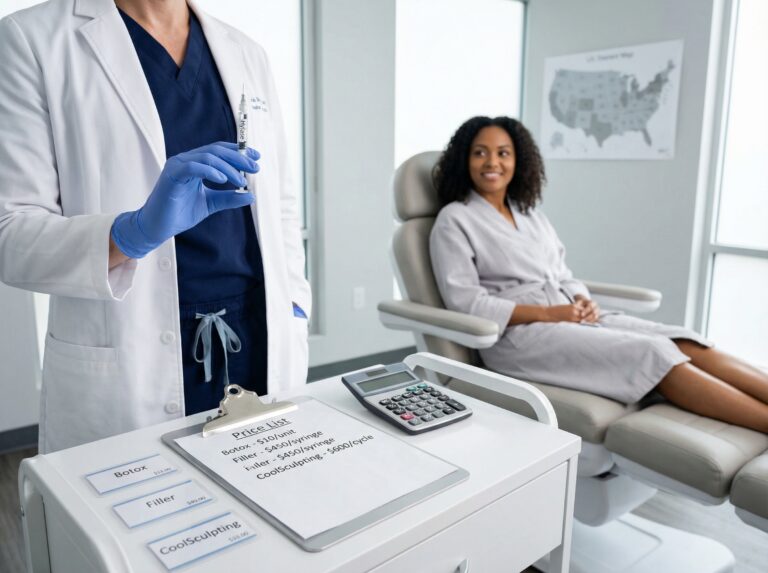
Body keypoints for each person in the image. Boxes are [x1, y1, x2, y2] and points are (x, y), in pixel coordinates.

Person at [0, 0, 311, 453]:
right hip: (133, 354)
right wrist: (131, 233)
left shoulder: (245, 51)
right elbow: (10, 234)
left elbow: (280, 200)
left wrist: (295, 306)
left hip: (258, 338)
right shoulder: (32, 41)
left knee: (266, 506)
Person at [429, 116, 768, 433]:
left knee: (681, 339)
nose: (492, 162)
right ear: (465, 160)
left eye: (503, 153)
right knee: (651, 352)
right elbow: (466, 303)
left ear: (518, 162)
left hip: (571, 316)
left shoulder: (529, 214)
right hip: (518, 336)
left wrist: (581, 299)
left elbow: (561, 273)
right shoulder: (454, 219)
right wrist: (549, 314)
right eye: (480, 153)